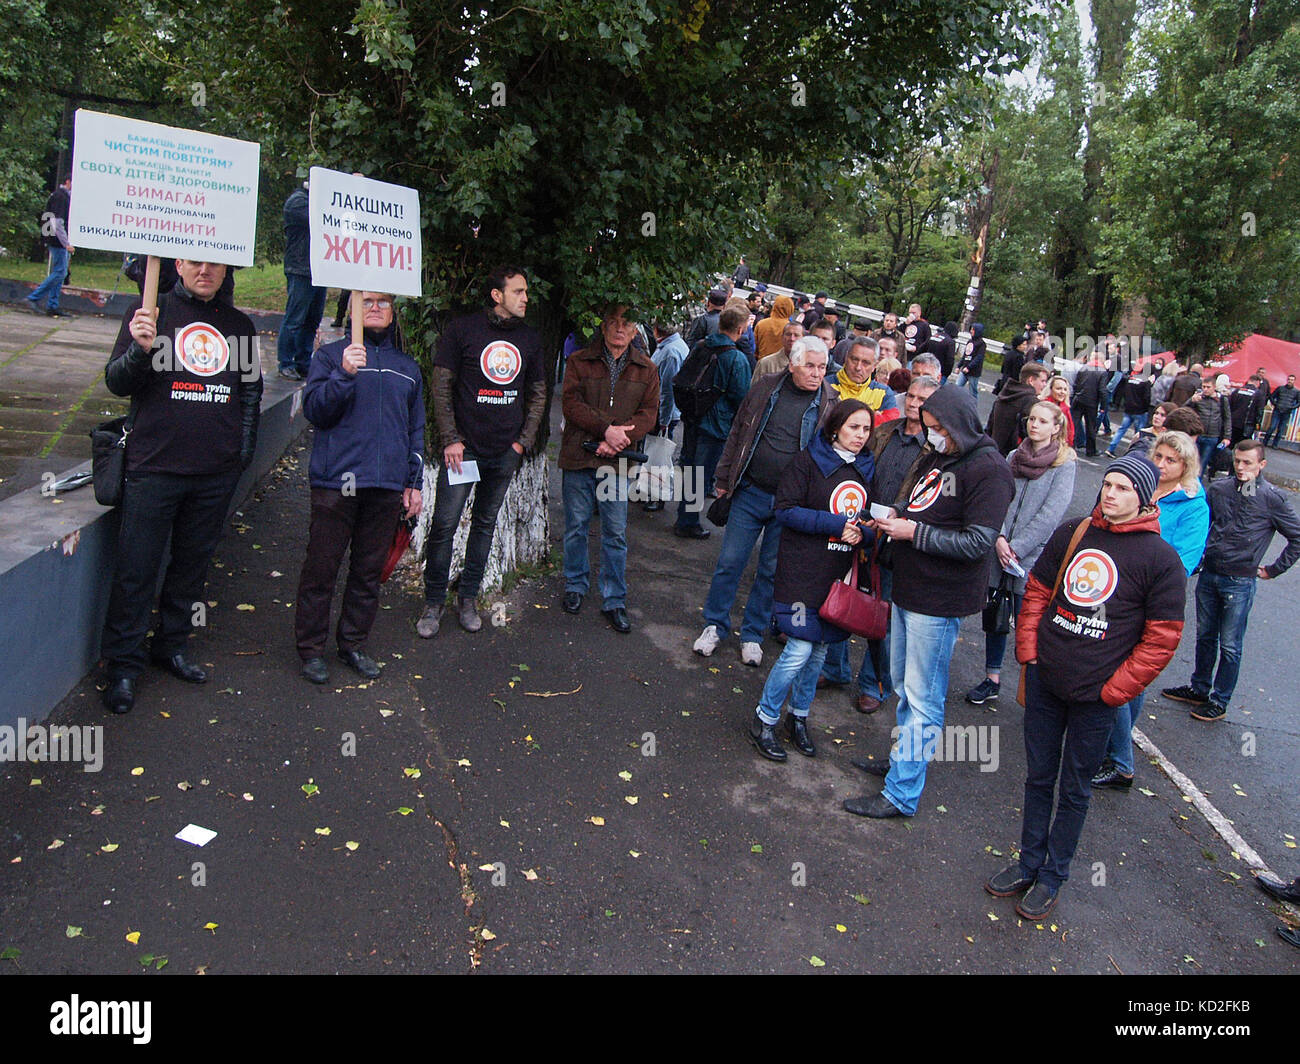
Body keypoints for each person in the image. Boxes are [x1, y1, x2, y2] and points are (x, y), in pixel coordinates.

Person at [986, 454, 1185, 919]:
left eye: (1121, 488)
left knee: (1075, 789)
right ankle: (1028, 863)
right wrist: (1030, 653)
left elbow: (1161, 639)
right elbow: (1036, 590)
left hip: (1097, 699)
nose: (1109, 493)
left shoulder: (1160, 559)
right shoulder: (1075, 532)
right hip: (1046, 682)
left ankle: (1053, 875)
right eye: (1107, 484)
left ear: (1143, 498)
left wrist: (1115, 691)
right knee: (1038, 777)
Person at [99, 260, 263, 713]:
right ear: (179, 264)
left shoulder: (239, 326)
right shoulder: (149, 310)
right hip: (154, 467)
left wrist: (239, 455)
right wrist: (139, 349)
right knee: (136, 570)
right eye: (195, 262)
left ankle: (171, 646)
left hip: (214, 473)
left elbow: (250, 392)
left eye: (214, 263)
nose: (205, 270)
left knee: (191, 568)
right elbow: (115, 382)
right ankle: (123, 667)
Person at [842, 386, 1013, 818]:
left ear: (957, 425)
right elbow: (916, 494)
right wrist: (897, 514)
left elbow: (978, 542)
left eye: (937, 429)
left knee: (923, 699)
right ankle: (904, 764)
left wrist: (911, 533)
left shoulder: (990, 470)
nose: (931, 436)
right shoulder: (945, 455)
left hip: (938, 600)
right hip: (911, 588)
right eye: (929, 428)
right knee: (904, 687)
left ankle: (900, 794)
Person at [296, 292, 424, 682]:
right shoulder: (332, 356)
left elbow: (415, 430)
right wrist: (344, 375)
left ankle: (352, 644)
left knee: (368, 573)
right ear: (352, 308)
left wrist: (413, 484)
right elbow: (315, 411)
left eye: (383, 302)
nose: (375, 308)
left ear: (393, 311)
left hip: (385, 487)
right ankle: (311, 650)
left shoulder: (407, 367)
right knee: (322, 570)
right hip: (337, 483)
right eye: (366, 301)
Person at [417, 267, 546, 636]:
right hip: (464, 450)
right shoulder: (462, 330)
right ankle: (432, 603)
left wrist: (523, 441)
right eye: (518, 291)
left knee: (484, 526)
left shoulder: (530, 339)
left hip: (505, 451)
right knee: (444, 526)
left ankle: (468, 599)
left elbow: (538, 393)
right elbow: (441, 387)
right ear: (496, 295)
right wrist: (450, 438)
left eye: (526, 292)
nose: (525, 298)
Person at [693, 338, 837, 666]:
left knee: (771, 571)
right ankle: (714, 625)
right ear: (792, 364)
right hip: (750, 491)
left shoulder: (830, 402)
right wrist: (724, 480)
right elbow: (737, 435)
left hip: (790, 505)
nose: (818, 374)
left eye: (822, 367)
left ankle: (753, 634)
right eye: (810, 366)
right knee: (730, 562)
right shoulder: (764, 389)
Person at [747, 401, 875, 761]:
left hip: (838, 578)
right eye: (853, 428)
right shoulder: (807, 461)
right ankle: (765, 718)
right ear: (835, 428)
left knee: (820, 651)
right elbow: (785, 510)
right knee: (800, 648)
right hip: (803, 572)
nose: (859, 437)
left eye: (865, 430)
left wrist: (862, 535)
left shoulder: (867, 468)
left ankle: (798, 718)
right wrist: (836, 525)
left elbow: (871, 524)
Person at [1092, 431, 1209, 787]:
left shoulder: (1192, 505)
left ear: (1185, 466)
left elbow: (1184, 562)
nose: (1160, 464)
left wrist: (1142, 575)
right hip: (1115, 588)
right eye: (1158, 456)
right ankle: (1112, 748)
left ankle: (1121, 761)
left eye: (1170, 460)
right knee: (1119, 674)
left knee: (1127, 676)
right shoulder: (1142, 489)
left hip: (1149, 598)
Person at [821, 374, 938, 712]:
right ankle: (835, 667)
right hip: (861, 526)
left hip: (898, 540)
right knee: (842, 594)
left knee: (882, 612)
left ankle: (875, 683)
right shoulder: (884, 431)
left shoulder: (936, 451)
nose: (914, 404)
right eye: (911, 397)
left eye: (922, 400)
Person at [1162, 440, 1300, 720]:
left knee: (1230, 644)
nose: (1240, 467)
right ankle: (1199, 687)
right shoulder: (1220, 490)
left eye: (1247, 462)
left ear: (1262, 465)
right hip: (1211, 573)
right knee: (1204, 635)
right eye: (1237, 461)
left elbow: (1297, 536)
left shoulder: (1273, 498)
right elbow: (1202, 522)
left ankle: (1220, 699)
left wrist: (1274, 569)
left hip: (1239, 581)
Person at [965, 401, 1077, 706]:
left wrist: (1016, 548)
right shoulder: (1014, 456)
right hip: (999, 551)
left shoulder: (1064, 465)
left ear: (1056, 427)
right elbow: (998, 497)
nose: (1034, 425)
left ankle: (1037, 687)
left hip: (1031, 557)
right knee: (996, 617)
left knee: (1031, 623)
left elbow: (1051, 514)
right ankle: (992, 678)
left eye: (1042, 421)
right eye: (1031, 419)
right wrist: (999, 538)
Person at [559, 304, 659, 633]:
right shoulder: (579, 361)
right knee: (575, 526)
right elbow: (571, 404)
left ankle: (614, 598)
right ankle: (575, 586)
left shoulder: (647, 368)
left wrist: (616, 440)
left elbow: (649, 414)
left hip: (616, 463)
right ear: (603, 327)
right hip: (579, 456)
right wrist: (607, 431)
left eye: (626, 324)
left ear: (634, 332)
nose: (619, 329)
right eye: (613, 323)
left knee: (615, 533)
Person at [674, 303, 752, 539]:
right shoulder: (736, 358)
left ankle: (684, 515)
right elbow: (741, 397)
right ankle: (688, 522)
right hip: (716, 423)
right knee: (702, 472)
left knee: (690, 468)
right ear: (740, 329)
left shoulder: (701, 345)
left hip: (692, 413)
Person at [276, 182, 327, 381]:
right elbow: (320, 220)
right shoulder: (297, 202)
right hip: (300, 269)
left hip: (317, 269)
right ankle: (286, 363)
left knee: (312, 319)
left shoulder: (313, 201)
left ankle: (304, 362)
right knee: (295, 319)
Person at [644, 321, 688, 512]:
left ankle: (656, 496)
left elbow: (668, 391)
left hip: (665, 413)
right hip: (665, 411)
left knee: (659, 454)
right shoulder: (672, 345)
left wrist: (664, 421)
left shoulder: (670, 351)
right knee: (656, 453)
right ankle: (651, 493)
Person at [26, 174, 73, 318]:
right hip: (57, 240)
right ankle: (33, 298)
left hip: (53, 238)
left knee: (61, 272)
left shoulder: (58, 195)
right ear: (68, 182)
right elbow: (57, 223)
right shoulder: (61, 197)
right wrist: (66, 244)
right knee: (59, 272)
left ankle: (53, 305)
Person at [986, 361, 1050, 455]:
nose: (1045, 385)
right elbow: (1030, 434)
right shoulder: (1031, 401)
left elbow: (990, 425)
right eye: (1043, 381)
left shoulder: (1005, 394)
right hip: (1014, 455)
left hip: (993, 449)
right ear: (1031, 380)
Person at [831, 338, 899, 423]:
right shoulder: (826, 385)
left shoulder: (884, 393)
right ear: (846, 357)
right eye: (854, 360)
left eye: (865, 363)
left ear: (875, 366)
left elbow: (889, 428)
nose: (858, 367)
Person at [1184, 375, 1232, 481]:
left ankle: (1196, 485)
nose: (1205, 389)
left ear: (1214, 387)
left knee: (1203, 463)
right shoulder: (1198, 397)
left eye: (1208, 387)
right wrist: (1191, 401)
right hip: (1198, 434)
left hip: (1212, 435)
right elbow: (1183, 411)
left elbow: (1227, 418)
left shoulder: (1222, 400)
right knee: (1192, 461)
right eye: (1204, 387)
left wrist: (1227, 436)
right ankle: (1188, 482)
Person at [1105, 365, 1153, 455]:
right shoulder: (1146, 382)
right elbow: (1147, 398)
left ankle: (1111, 448)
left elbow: (1124, 392)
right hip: (1140, 411)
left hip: (1128, 409)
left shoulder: (1130, 379)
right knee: (1139, 434)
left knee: (1121, 429)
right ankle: (1134, 452)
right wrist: (1146, 409)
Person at [1071, 352, 1108, 457]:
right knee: (1090, 427)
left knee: (1074, 424)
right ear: (1102, 360)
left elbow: (1076, 384)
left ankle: (1070, 445)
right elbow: (1102, 390)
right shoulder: (1102, 372)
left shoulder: (1083, 368)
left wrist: (1076, 394)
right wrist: (1103, 406)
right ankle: (1091, 450)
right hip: (1091, 402)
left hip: (1078, 399)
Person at [754, 295, 796, 360]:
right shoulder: (791, 328)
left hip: (761, 363)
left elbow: (754, 347)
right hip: (782, 366)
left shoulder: (761, 324)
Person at [1264, 374, 1299, 448]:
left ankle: (1275, 445)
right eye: (1289, 379)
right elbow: (1272, 396)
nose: (1290, 381)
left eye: (1292, 380)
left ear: (1294, 381)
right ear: (1287, 380)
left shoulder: (1296, 392)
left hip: (1287, 412)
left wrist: (1292, 407)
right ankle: (1265, 442)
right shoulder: (1280, 388)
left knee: (1281, 430)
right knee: (1272, 427)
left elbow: (1299, 402)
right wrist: (1275, 404)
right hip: (1277, 411)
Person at [955, 324, 985, 400]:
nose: (971, 331)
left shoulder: (981, 344)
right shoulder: (970, 341)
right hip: (964, 370)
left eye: (973, 330)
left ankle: (973, 406)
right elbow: (965, 355)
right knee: (957, 387)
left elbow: (979, 357)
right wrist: (959, 366)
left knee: (973, 392)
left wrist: (969, 367)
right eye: (971, 329)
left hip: (974, 372)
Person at [1045, 375, 1075, 445]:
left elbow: (1070, 431)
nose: (1062, 392)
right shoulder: (1044, 407)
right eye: (1058, 388)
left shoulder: (1065, 408)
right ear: (1050, 389)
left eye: (1065, 389)